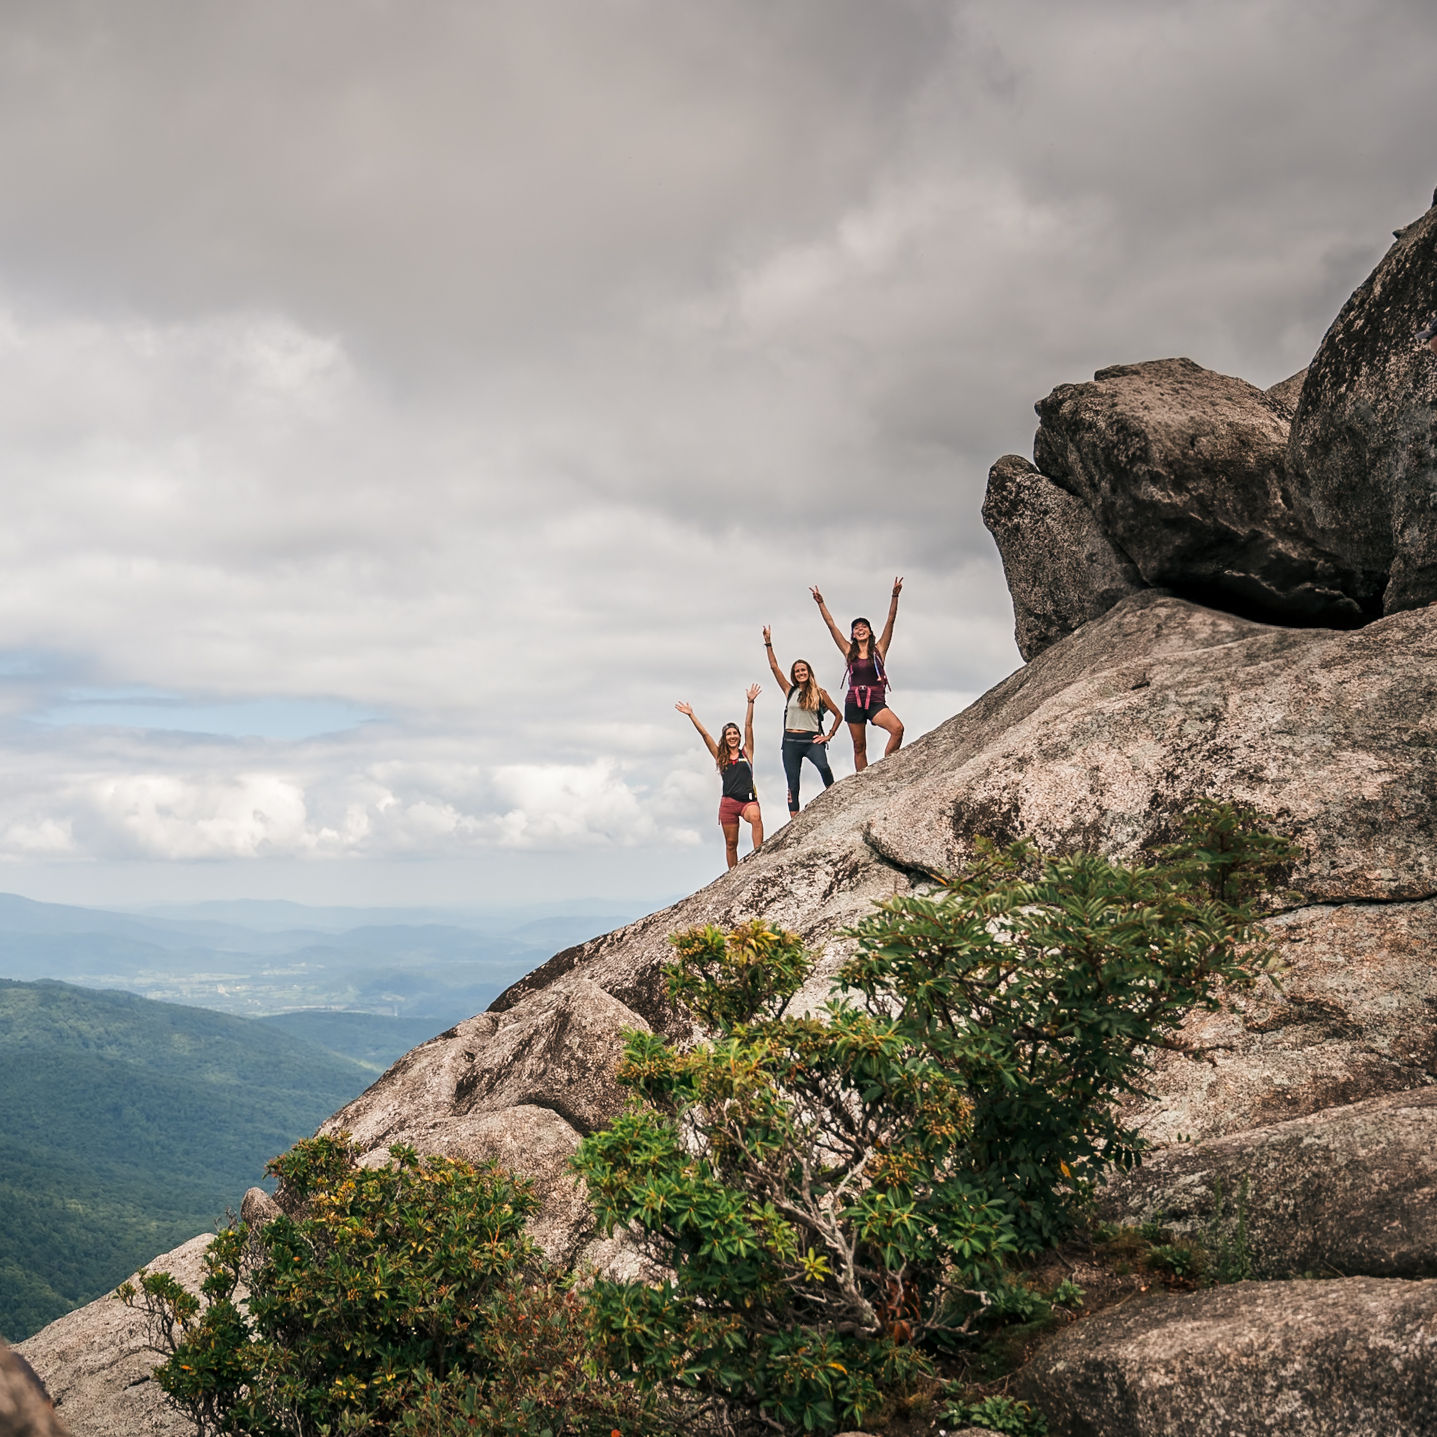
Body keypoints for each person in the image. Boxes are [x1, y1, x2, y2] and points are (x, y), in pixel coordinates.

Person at [810, 577, 905, 772]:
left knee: (897, 729)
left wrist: (894, 596)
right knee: (859, 746)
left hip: (876, 700)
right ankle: (864, 781)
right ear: (853, 634)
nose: (860, 629)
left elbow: (891, 620)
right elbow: (831, 626)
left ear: (870, 632)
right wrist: (821, 603)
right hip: (854, 701)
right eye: (856, 628)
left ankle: (887, 768)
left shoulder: (879, 649)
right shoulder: (848, 650)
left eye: (864, 627)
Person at [675, 685, 763, 869]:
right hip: (728, 804)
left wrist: (750, 702)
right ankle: (733, 875)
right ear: (724, 738)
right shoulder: (720, 757)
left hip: (748, 801)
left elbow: (748, 725)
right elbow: (705, 734)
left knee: (755, 817)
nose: (732, 736)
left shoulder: (747, 752)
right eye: (728, 734)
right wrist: (691, 715)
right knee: (731, 844)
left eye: (735, 733)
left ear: (739, 737)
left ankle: (758, 857)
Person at [762, 626, 841, 817]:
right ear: (794, 674)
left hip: (812, 740)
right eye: (797, 671)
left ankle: (836, 800)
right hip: (790, 742)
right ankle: (794, 819)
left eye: (803, 670)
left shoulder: (820, 693)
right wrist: (768, 643)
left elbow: (838, 715)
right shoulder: (790, 691)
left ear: (809, 672)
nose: (800, 673)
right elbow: (774, 667)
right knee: (793, 783)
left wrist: (828, 736)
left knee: (823, 766)